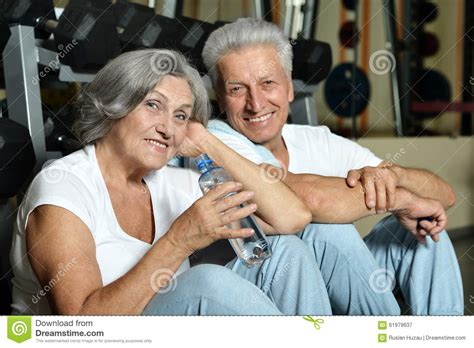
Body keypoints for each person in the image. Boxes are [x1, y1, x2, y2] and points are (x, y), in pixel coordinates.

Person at [9, 49, 334, 315]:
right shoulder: (63, 187)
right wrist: (180, 239)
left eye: (180, 116)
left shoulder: (171, 182)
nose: (168, 128)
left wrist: (207, 141)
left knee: (284, 251)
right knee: (206, 283)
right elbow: (82, 326)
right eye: (153, 105)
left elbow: (292, 217)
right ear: (113, 105)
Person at [202, 18, 464, 315]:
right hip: (263, 293)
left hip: (328, 286)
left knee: (423, 229)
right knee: (327, 231)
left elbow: (445, 196)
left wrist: (393, 175)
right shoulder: (217, 140)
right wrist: (403, 200)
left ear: (289, 88)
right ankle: (387, 336)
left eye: (268, 83)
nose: (256, 103)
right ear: (221, 98)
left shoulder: (315, 139)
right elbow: (313, 201)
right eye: (237, 89)